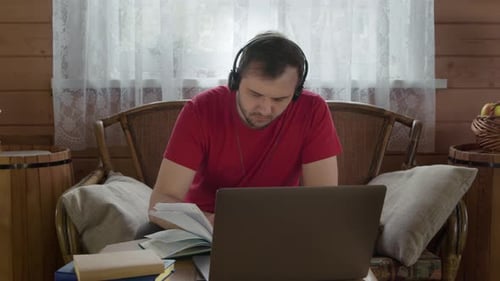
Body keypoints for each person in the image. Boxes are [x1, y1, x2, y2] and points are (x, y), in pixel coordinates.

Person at [149, 31, 342, 228]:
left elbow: (323, 202)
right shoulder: (201, 109)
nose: (265, 109)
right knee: (146, 231)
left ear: (296, 92)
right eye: (255, 94)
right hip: (207, 227)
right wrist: (215, 223)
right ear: (235, 81)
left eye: (279, 99)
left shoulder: (312, 110)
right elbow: (161, 202)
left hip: (281, 227)